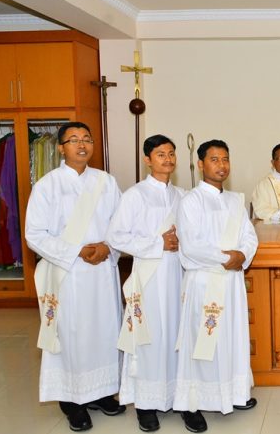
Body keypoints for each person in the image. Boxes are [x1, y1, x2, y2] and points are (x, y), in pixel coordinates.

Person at [25, 122, 125, 432]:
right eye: (73, 140)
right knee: (71, 335)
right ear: (60, 147)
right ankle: (72, 401)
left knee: (104, 330)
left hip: (101, 272)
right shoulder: (47, 185)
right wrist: (76, 252)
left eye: (87, 139)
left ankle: (102, 391)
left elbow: (120, 225)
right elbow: (34, 234)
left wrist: (108, 247)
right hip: (67, 273)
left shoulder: (106, 182)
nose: (81, 145)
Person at [173, 139, 259, 433]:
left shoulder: (235, 200)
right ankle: (191, 404)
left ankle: (232, 393)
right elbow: (192, 244)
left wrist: (243, 255)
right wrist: (228, 258)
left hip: (231, 281)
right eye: (214, 159)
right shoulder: (191, 201)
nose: (221, 165)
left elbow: (250, 235)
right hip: (204, 279)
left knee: (231, 337)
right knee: (202, 340)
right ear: (200, 165)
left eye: (225, 159)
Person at [106, 134, 185, 432]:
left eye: (171, 153)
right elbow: (116, 237)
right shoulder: (135, 195)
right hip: (149, 275)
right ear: (148, 159)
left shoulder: (182, 195)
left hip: (177, 274)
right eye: (161, 154)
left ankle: (179, 395)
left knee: (176, 335)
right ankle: (146, 403)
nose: (168, 159)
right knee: (149, 337)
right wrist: (157, 243)